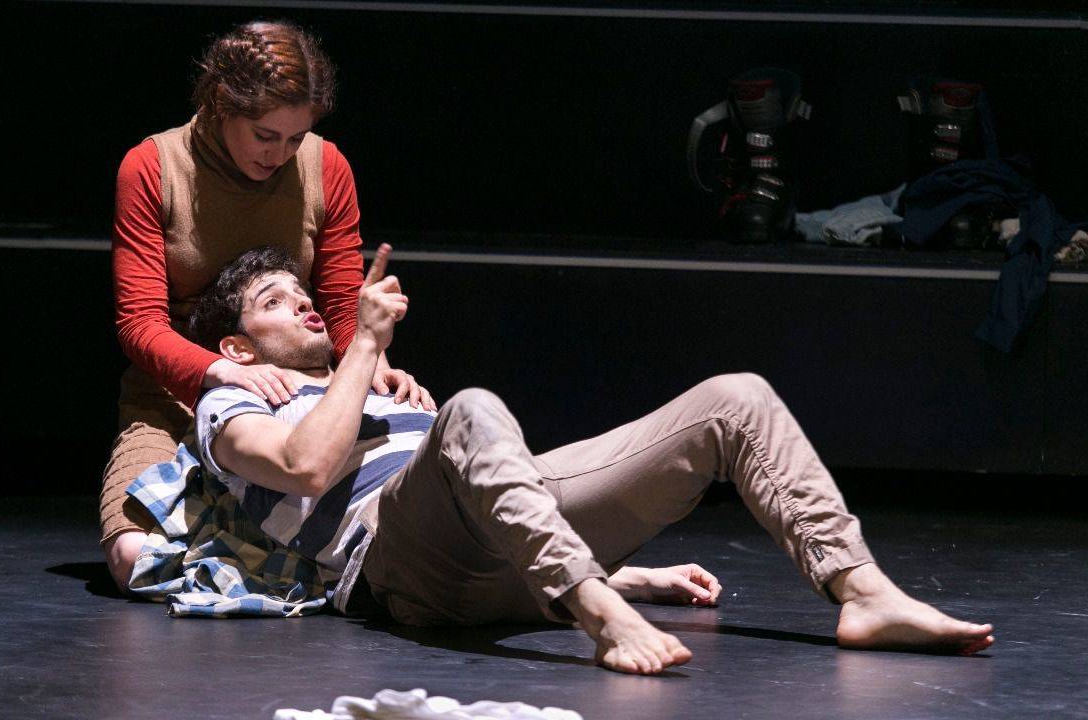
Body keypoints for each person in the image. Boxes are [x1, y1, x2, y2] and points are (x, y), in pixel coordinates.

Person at [168, 243, 994, 675]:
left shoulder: (377, 385)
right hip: (406, 567)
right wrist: (366, 345)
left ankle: (862, 593)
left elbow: (503, 494)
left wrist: (634, 572)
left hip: (514, 566)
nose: (304, 304)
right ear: (235, 346)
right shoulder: (230, 403)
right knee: (472, 408)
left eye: (303, 292)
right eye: (273, 301)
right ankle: (599, 617)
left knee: (734, 398)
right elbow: (308, 470)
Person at [101, 21, 435, 589]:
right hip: (173, 397)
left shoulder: (327, 167)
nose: (280, 154)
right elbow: (139, 321)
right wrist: (221, 370)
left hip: (294, 395)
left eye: (295, 138)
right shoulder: (153, 166)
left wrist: (373, 362)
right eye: (265, 135)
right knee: (134, 557)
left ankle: (280, 548)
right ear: (220, 102)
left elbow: (339, 302)